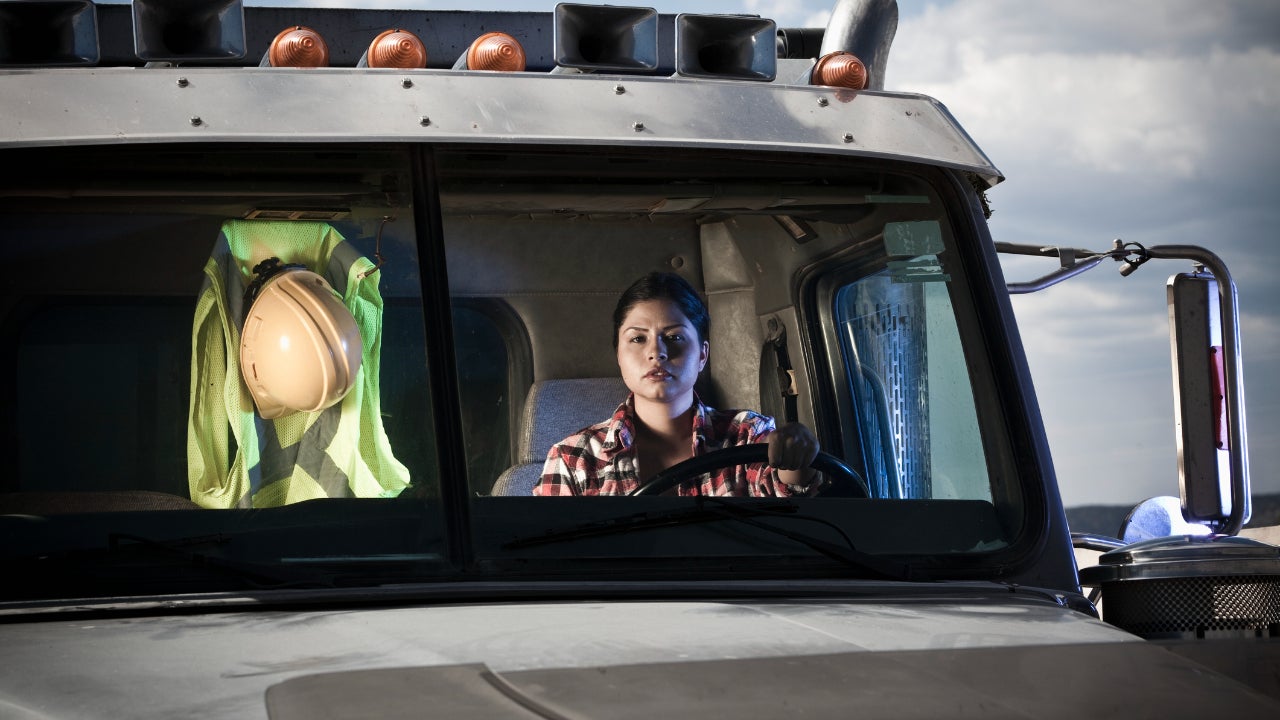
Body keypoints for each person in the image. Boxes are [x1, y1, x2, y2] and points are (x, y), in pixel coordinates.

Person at [534, 272, 826, 497]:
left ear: (702, 355)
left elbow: (789, 500)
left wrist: (795, 455)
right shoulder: (573, 458)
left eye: (674, 338)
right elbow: (548, 560)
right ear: (619, 356)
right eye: (638, 338)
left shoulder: (746, 435)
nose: (656, 352)